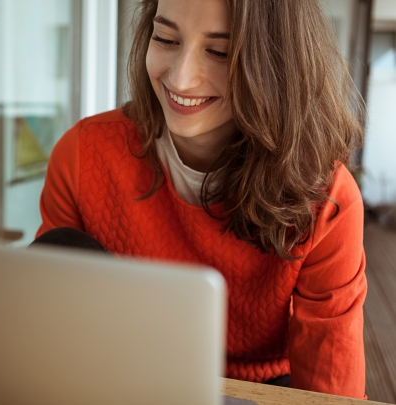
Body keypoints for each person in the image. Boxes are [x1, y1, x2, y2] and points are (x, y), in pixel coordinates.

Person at [35, 0, 367, 398]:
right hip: (126, 383)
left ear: (276, 65)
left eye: (219, 51)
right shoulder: (81, 155)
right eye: (166, 38)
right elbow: (48, 330)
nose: (181, 78)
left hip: (260, 390)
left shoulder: (326, 199)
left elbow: (330, 390)